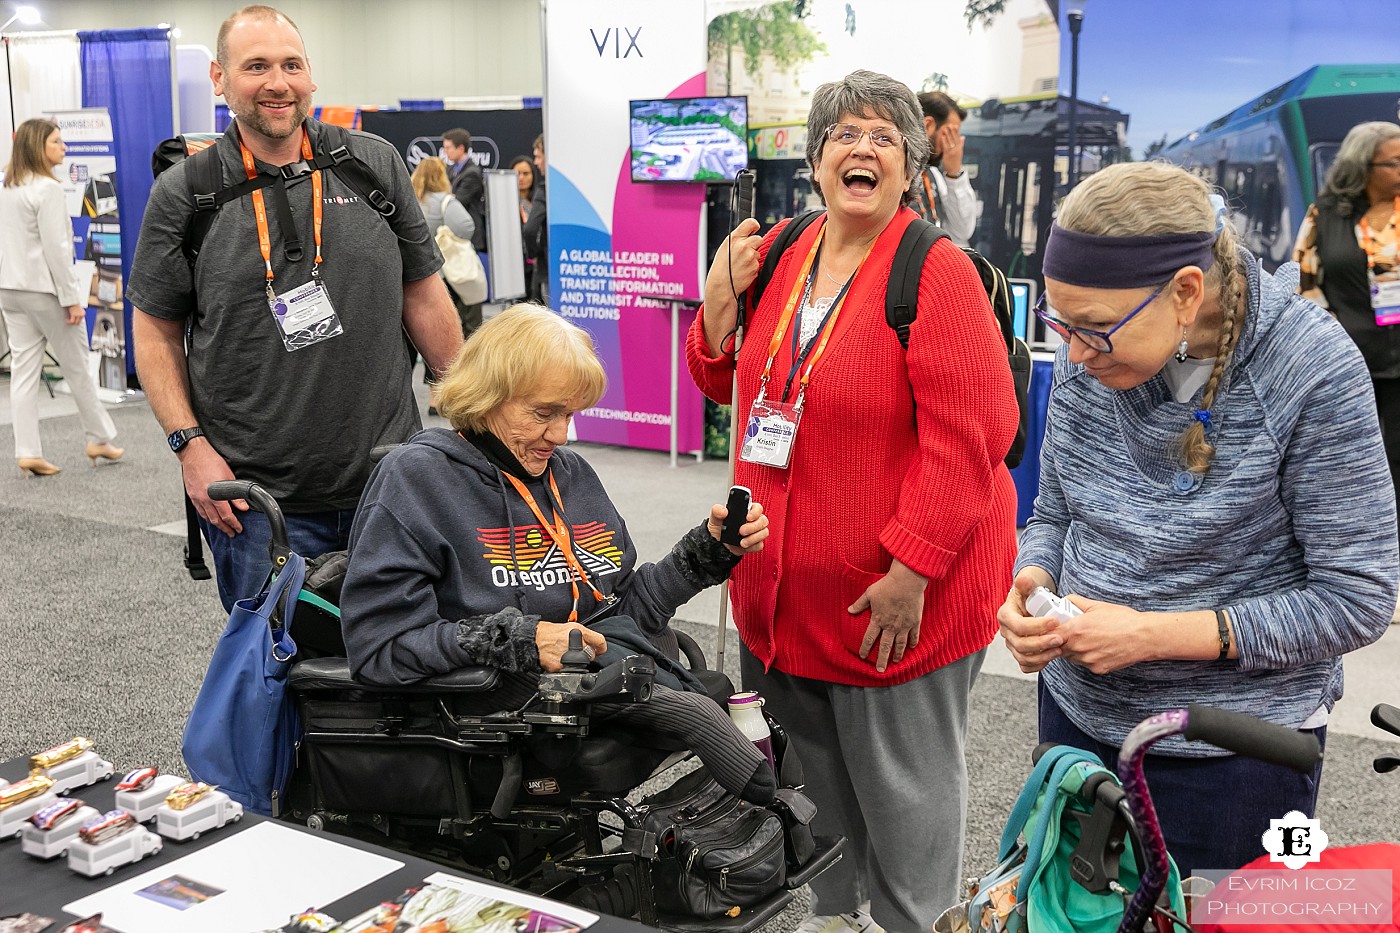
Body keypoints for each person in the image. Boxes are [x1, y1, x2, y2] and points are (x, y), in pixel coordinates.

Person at [687, 70, 1019, 933]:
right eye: (843, 134)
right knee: (811, 821)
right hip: (784, 603)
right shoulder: (785, 253)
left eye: (883, 137)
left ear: (911, 166)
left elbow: (974, 434)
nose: (861, 148)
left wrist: (913, 567)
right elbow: (723, 377)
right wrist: (718, 301)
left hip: (894, 610)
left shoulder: (934, 272)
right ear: (816, 158)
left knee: (909, 828)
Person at [1001, 161, 1398, 877]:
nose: (1077, 357)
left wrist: (1151, 635)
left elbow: (1357, 598)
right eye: (1062, 326)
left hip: (1234, 755)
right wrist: (1032, 580)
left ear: (1186, 292)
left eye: (1095, 330)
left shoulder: (1308, 368)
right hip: (1075, 718)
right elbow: (1055, 509)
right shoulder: (1090, 349)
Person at [339, 303, 777, 805]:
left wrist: (705, 552)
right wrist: (518, 639)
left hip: (597, 680)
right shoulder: (417, 481)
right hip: (504, 708)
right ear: (487, 397)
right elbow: (378, 648)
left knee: (730, 712)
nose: (561, 435)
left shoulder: (568, 474)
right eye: (543, 413)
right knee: (707, 722)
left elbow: (622, 611)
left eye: (569, 414)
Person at [129, 4, 462, 612]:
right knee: (276, 669)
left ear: (310, 76)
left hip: (389, 482)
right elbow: (154, 330)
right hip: (254, 499)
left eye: (291, 65)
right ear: (220, 78)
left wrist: (474, 410)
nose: (277, 82)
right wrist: (190, 448)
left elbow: (423, 291)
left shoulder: (372, 164)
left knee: (403, 661)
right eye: (255, 66)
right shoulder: (187, 191)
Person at [1293, 121, 1400, 540]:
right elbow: (1306, 281)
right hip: (1350, 357)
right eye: (1394, 162)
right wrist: (1332, 337)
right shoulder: (1325, 213)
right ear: (1364, 165)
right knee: (1352, 453)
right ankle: (1354, 533)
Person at [0, 118, 122, 477]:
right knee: (77, 366)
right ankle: (99, 437)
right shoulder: (48, 190)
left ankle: (27, 450)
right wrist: (72, 299)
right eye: (57, 142)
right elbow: (58, 251)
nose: (64, 147)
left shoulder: (7, 186)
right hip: (46, 291)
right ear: (40, 147)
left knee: (24, 372)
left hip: (10, 289)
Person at [412, 156, 478, 414]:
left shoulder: (411, 201)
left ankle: (429, 398)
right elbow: (466, 227)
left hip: (414, 276)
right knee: (451, 332)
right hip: (446, 275)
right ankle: (447, 394)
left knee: (422, 337)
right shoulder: (445, 201)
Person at [912, 91, 977, 247]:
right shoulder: (894, 173)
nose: (953, 143)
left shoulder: (934, 176)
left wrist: (954, 175)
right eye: (949, 133)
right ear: (928, 126)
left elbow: (962, 231)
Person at [523, 134, 548, 304]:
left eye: (539, 156)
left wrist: (534, 254)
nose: (536, 162)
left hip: (547, 268)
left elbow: (530, 229)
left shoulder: (545, 189)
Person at [509, 155, 537, 298]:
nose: (521, 178)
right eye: (517, 174)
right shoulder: (506, 201)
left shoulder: (541, 199)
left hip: (537, 259)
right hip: (514, 261)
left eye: (526, 174)